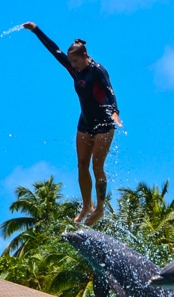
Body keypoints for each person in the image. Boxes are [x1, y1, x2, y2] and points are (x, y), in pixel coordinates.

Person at [23, 22, 121, 225]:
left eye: (76, 61)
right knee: (82, 165)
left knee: (97, 167)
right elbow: (54, 50)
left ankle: (100, 209)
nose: (73, 65)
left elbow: (109, 91)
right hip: (85, 122)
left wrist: (115, 112)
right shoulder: (74, 69)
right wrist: (36, 30)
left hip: (104, 123)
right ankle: (87, 206)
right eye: (71, 62)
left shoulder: (98, 70)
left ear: (85, 56)